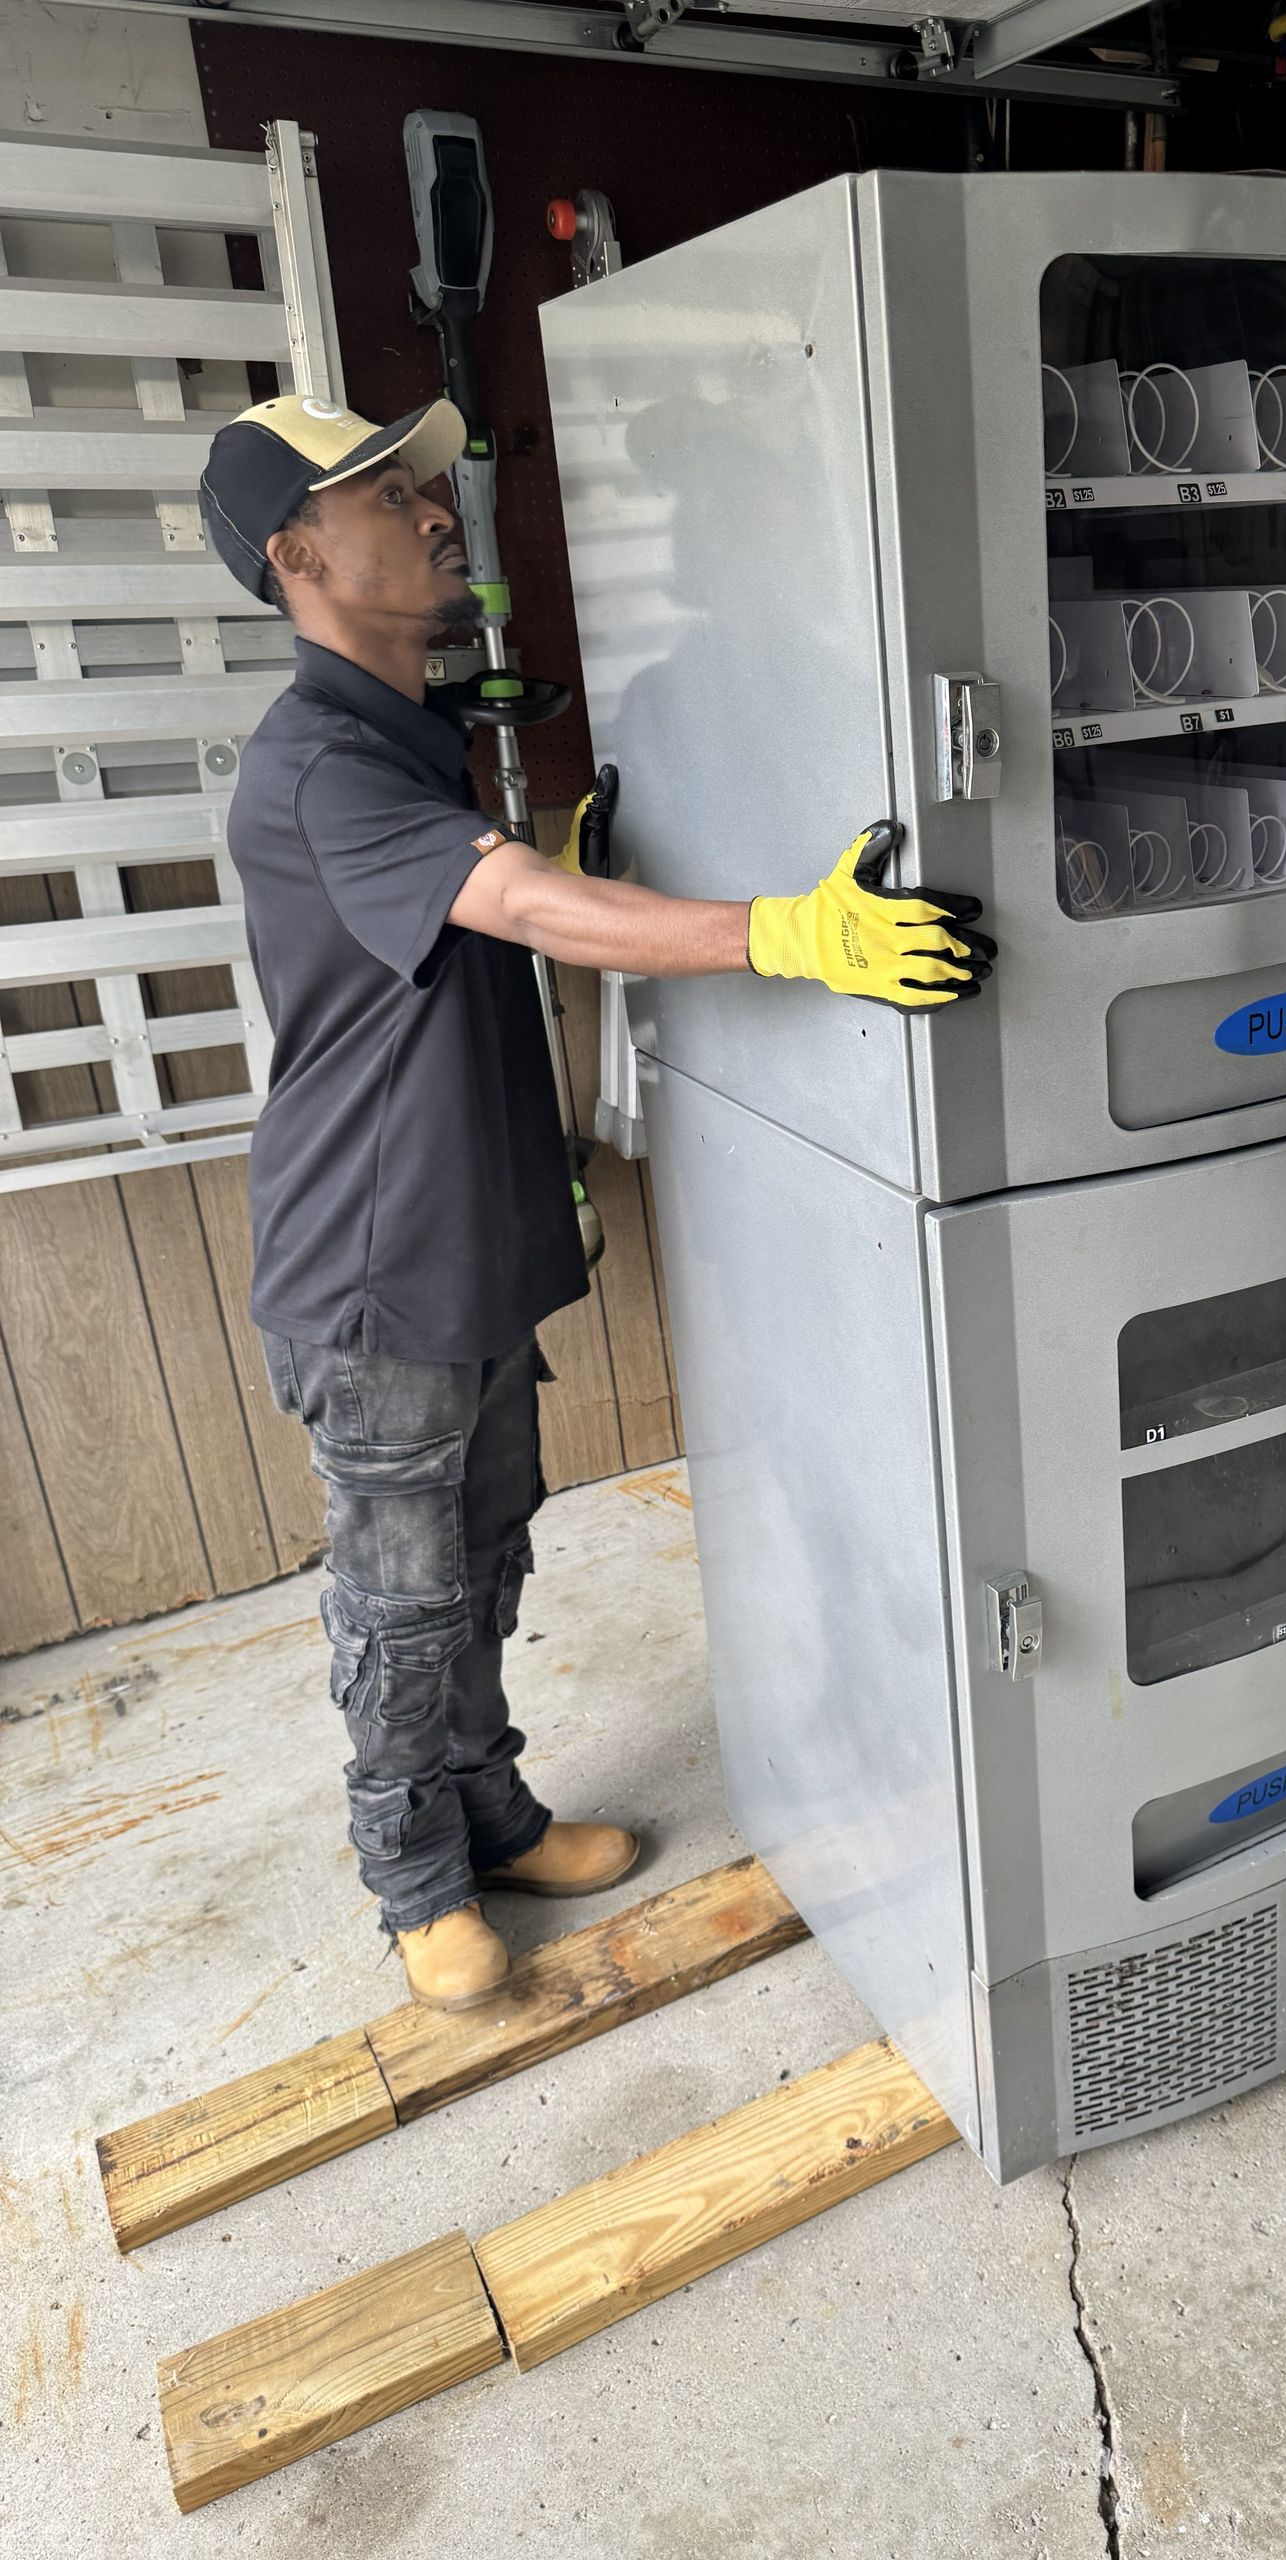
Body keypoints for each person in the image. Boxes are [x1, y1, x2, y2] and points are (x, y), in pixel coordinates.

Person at [198, 392, 995, 2010]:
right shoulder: (317, 765)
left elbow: (495, 910)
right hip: (376, 1267)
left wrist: (577, 865)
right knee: (402, 1593)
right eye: (387, 497)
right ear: (298, 557)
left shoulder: (404, 734)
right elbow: (526, 909)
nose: (438, 511)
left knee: (487, 1549)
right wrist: (793, 933)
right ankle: (414, 1877)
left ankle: (489, 1813)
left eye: (424, 486)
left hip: (466, 1240)